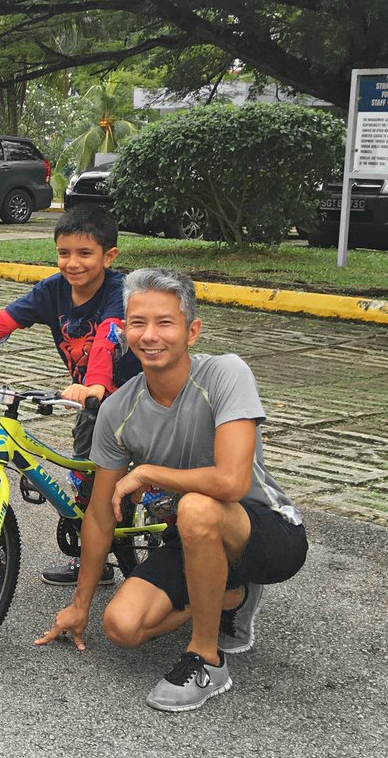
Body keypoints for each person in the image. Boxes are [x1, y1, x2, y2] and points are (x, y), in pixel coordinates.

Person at [34, 268, 308, 712]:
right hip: (193, 536)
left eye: (165, 322)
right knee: (122, 627)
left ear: (192, 331)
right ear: (124, 331)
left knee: (198, 508)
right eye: (138, 323)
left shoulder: (225, 374)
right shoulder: (118, 409)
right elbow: (102, 514)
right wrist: (80, 604)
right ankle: (230, 596)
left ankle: (205, 658)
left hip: (267, 530)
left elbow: (231, 482)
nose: (149, 335)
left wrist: (146, 475)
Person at [0, 203, 138, 586]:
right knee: (83, 473)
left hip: (132, 397)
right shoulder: (52, 291)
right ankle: (92, 560)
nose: (72, 263)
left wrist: (94, 384)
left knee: (136, 481)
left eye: (84, 253)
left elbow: (109, 337)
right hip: (89, 402)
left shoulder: (118, 291)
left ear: (109, 256)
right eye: (63, 253)